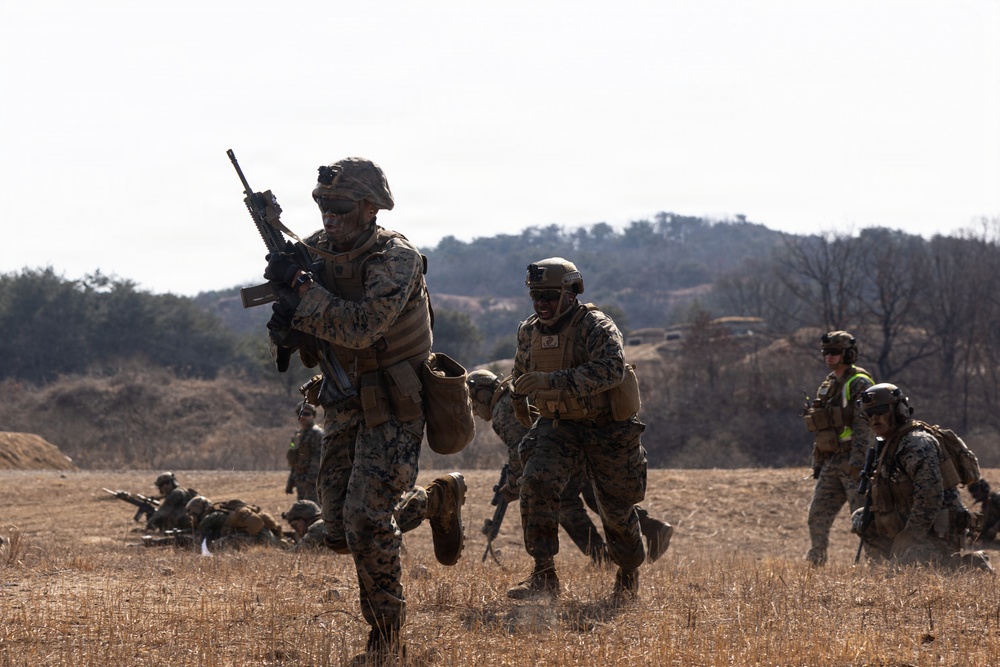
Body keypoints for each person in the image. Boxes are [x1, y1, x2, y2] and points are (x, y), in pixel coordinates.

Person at [262, 156, 466, 659]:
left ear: (370, 207)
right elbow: (313, 320)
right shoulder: (319, 249)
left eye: (340, 206)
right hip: (343, 395)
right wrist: (286, 318)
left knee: (366, 517)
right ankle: (436, 500)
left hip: (397, 399)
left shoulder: (397, 258)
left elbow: (360, 327)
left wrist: (303, 289)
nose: (329, 215)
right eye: (322, 205)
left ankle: (386, 636)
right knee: (337, 528)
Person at [505, 257, 648, 601]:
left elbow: (611, 370)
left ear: (571, 293)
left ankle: (628, 571)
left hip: (606, 429)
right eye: (536, 296)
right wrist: (518, 397)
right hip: (559, 426)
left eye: (550, 295)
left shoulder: (596, 326)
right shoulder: (529, 330)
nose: (542, 303)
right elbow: (521, 371)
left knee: (615, 510)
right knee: (536, 482)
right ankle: (543, 575)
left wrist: (550, 381)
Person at [468, 369, 673, 566]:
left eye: (473, 404)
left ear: (483, 393)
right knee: (600, 497)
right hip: (579, 442)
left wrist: (511, 488)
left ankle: (601, 558)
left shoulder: (502, 410)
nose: (475, 413)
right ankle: (651, 527)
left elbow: (517, 454)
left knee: (566, 505)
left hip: (560, 453)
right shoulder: (512, 398)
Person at [851, 383, 992, 571]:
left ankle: (969, 566)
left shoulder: (916, 443)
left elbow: (930, 497)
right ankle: (881, 566)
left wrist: (909, 536)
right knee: (862, 518)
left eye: (881, 411)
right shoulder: (889, 444)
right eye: (869, 414)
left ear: (898, 410)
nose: (875, 418)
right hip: (912, 523)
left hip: (937, 531)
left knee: (904, 572)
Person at [802, 331, 875, 566]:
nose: (828, 357)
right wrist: (819, 461)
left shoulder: (860, 383)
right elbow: (822, 427)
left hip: (853, 460)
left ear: (848, 354)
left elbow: (864, 428)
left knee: (864, 519)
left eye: (834, 352)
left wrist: (858, 464)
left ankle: (877, 562)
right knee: (817, 514)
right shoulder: (829, 384)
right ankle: (816, 560)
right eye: (825, 352)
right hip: (832, 460)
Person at [185, 495, 283, 549]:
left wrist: (181, 541)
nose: (191, 516)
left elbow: (199, 544)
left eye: (192, 513)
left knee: (216, 546)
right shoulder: (223, 513)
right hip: (267, 536)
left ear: (198, 510)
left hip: (257, 539)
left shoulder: (210, 518)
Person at [285, 401, 324, 502]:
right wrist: (291, 482)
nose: (303, 416)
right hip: (300, 478)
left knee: (313, 510)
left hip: (311, 480)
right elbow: (294, 456)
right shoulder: (297, 435)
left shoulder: (317, 433)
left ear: (313, 416)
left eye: (306, 414)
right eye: (300, 414)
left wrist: (311, 480)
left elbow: (318, 458)